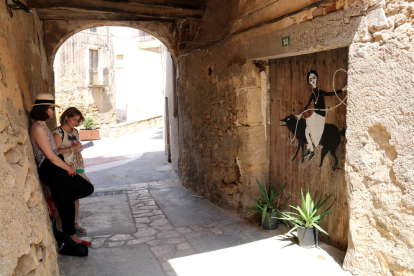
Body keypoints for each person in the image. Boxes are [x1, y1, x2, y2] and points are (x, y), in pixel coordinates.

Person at [29, 94, 94, 246]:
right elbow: (50, 155)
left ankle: (59, 200)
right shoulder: (37, 128)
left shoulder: (43, 126)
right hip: (50, 167)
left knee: (86, 188)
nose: (53, 111)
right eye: (51, 108)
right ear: (44, 108)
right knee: (68, 202)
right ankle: (72, 236)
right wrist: (67, 167)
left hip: (57, 165)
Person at [53, 107, 90, 236]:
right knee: (72, 194)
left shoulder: (75, 131)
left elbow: (74, 147)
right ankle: (68, 226)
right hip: (66, 167)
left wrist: (79, 148)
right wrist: (72, 148)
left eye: (78, 120)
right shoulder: (58, 132)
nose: (76, 122)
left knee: (76, 196)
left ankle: (74, 224)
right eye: (74, 119)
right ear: (66, 117)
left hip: (77, 165)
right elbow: (55, 152)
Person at [303, 70, 346, 163]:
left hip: (320, 115)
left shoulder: (320, 91)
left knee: (313, 132)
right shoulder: (313, 93)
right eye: (310, 79)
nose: (312, 80)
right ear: (309, 81)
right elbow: (307, 105)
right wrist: (300, 114)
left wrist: (342, 90)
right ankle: (311, 151)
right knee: (306, 130)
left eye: (314, 78)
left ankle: (312, 149)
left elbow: (329, 94)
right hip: (315, 114)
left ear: (317, 78)